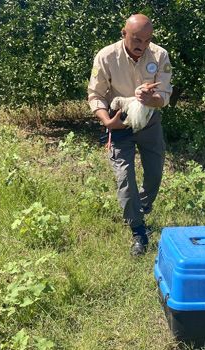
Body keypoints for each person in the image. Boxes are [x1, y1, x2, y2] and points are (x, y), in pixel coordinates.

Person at [87, 14, 173, 256]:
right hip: (119, 122)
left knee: (154, 174)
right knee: (125, 177)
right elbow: (95, 94)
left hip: (149, 121)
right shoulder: (106, 56)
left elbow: (164, 94)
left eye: (147, 40)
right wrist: (108, 122)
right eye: (136, 39)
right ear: (124, 33)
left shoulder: (160, 55)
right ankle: (138, 230)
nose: (142, 45)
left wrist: (152, 99)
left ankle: (141, 209)